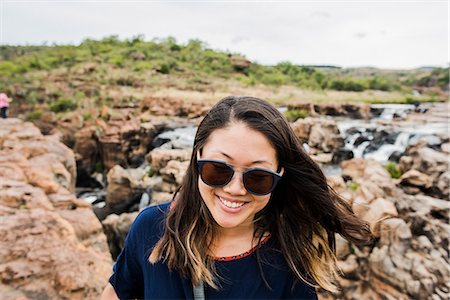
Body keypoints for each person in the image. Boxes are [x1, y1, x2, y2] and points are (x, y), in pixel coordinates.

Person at [101, 96, 373, 299]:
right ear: (197, 157)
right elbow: (116, 292)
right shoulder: (151, 228)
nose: (235, 188)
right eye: (218, 169)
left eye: (258, 177)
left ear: (280, 175)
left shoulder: (290, 259)